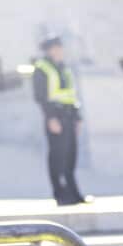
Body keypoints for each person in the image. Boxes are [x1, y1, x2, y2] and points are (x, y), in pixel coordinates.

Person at [33, 36, 90, 206]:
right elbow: (40, 96)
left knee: (70, 156)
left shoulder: (64, 68)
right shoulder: (42, 68)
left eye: (60, 48)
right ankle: (60, 194)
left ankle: (74, 193)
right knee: (57, 156)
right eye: (56, 48)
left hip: (69, 115)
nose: (60, 51)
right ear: (49, 50)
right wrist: (50, 118)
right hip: (55, 115)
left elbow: (71, 94)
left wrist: (78, 117)